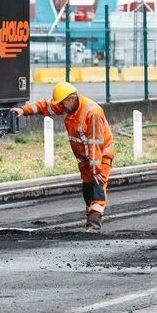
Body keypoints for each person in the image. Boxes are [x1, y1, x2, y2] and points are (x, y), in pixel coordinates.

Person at [17, 81, 114, 231]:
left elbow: (95, 143)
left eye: (62, 105)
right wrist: (24, 110)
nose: (60, 108)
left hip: (100, 157)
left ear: (71, 99)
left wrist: (96, 169)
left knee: (97, 187)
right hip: (85, 159)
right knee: (87, 188)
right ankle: (90, 220)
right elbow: (46, 106)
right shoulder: (70, 106)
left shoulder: (92, 113)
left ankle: (94, 225)